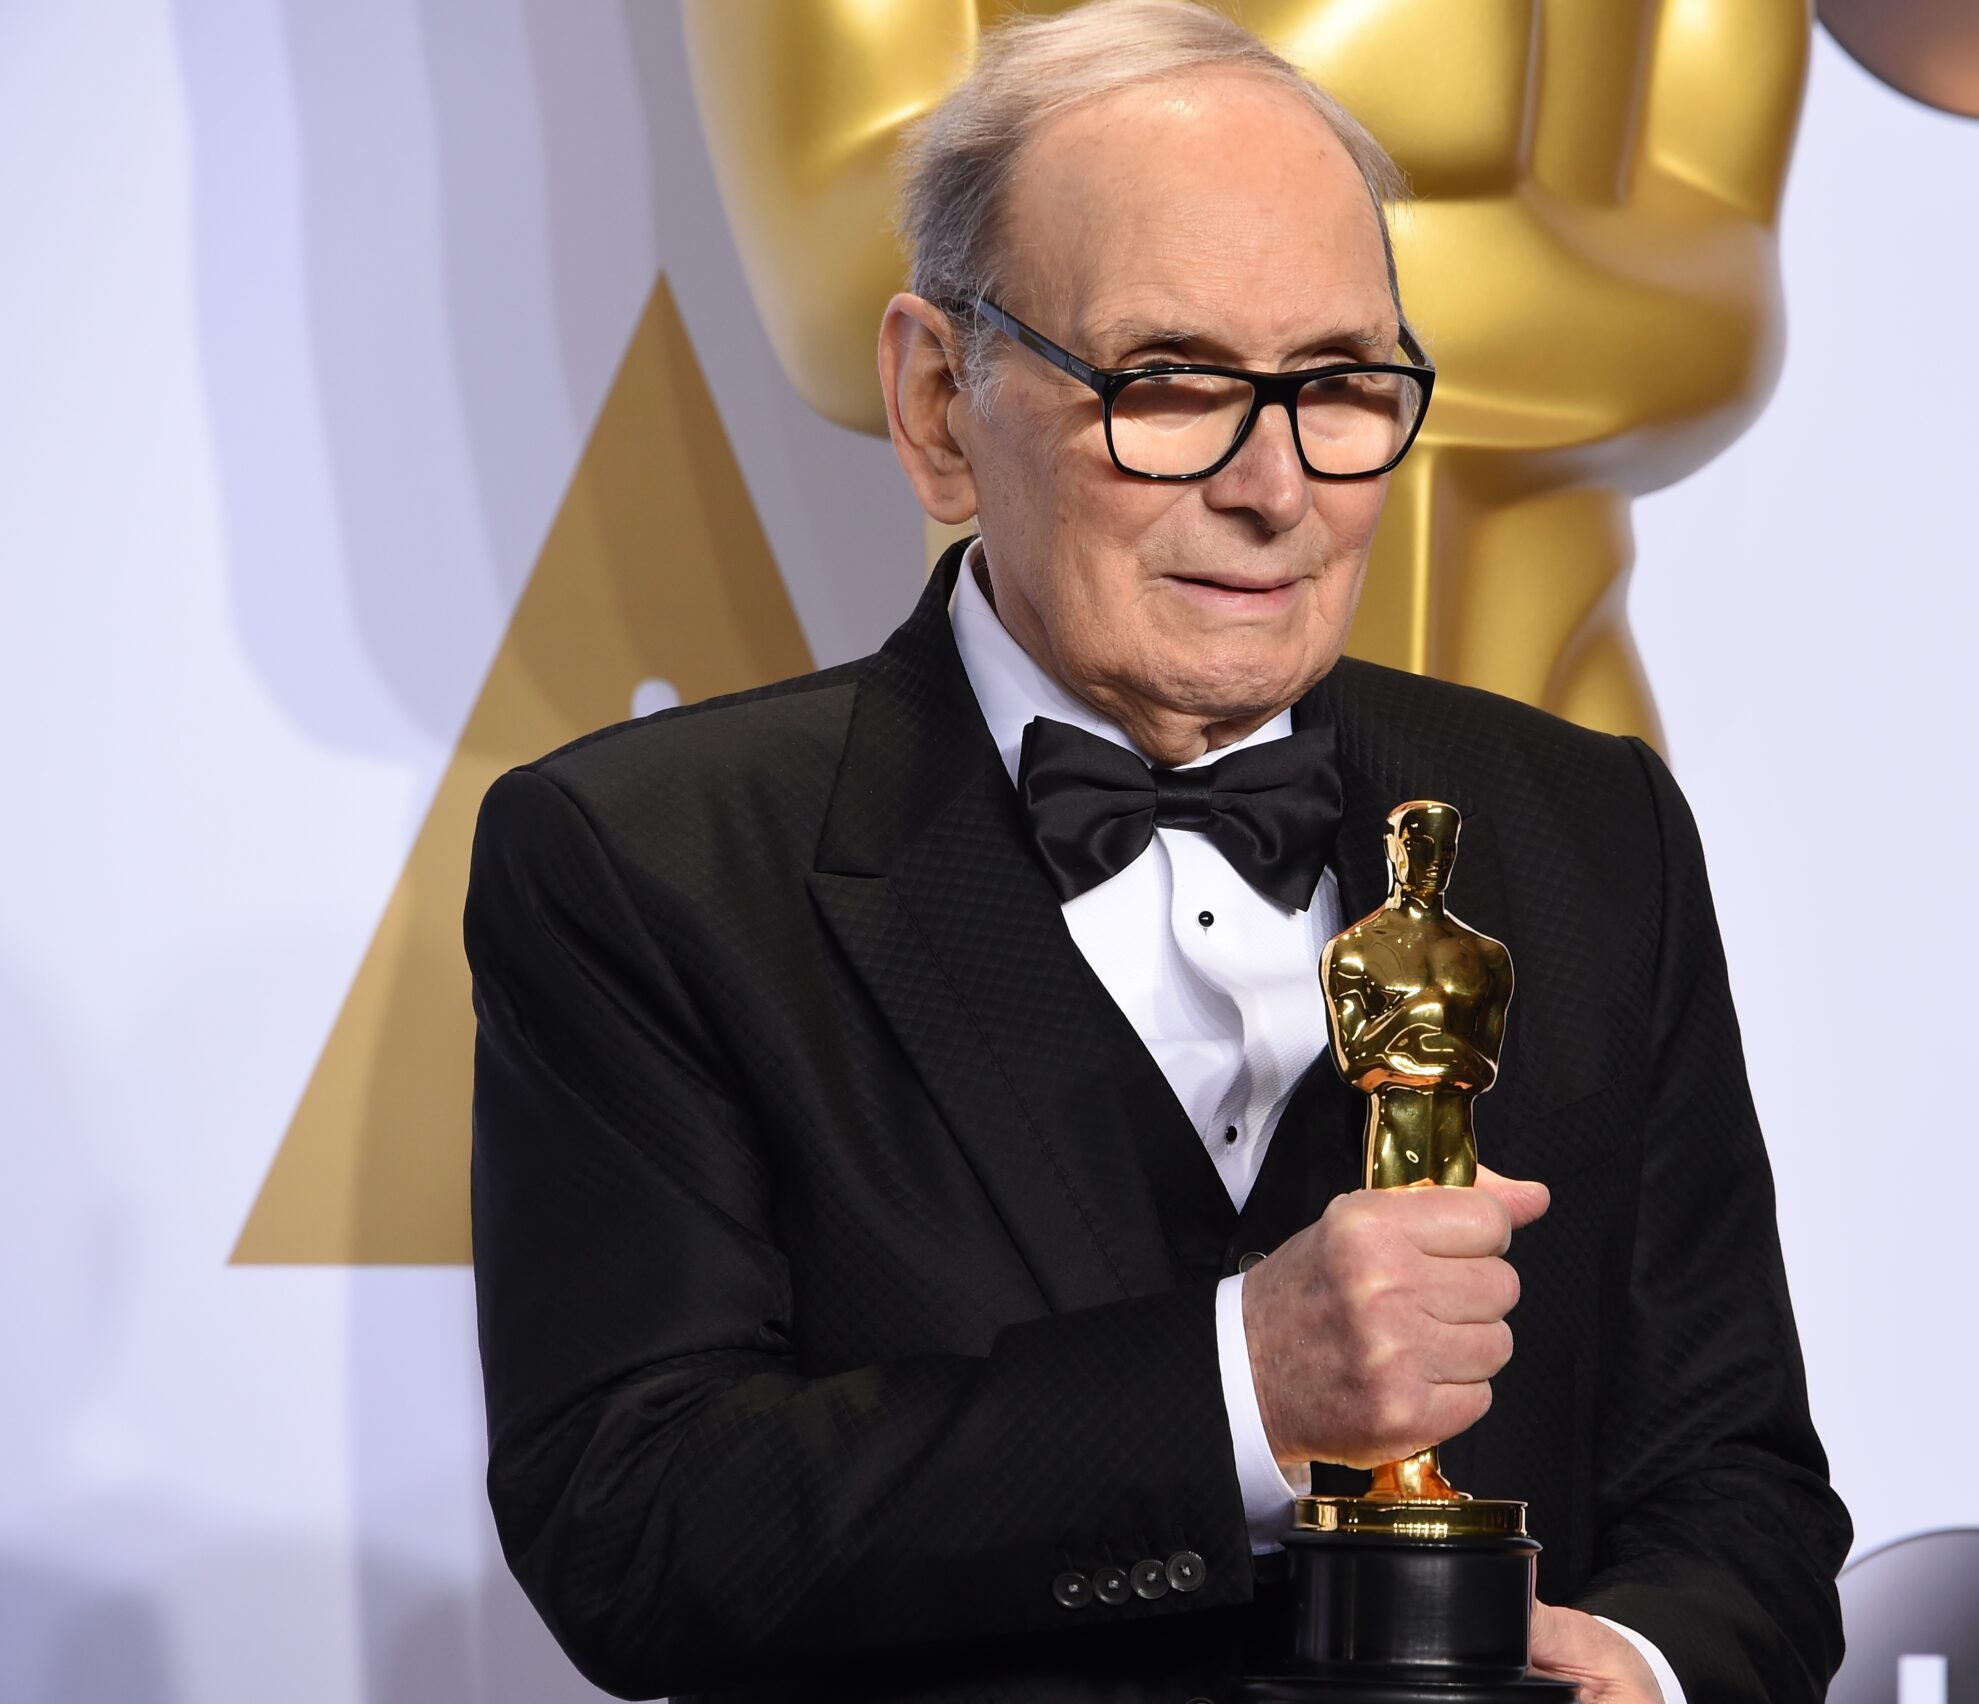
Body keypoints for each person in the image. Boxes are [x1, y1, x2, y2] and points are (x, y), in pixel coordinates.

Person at [463, 6, 1849, 1701]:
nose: (1277, 489)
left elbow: (1745, 1494)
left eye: (1340, 386)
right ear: (937, 400)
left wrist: (1644, 1668)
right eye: (1172, 383)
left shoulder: (1585, 831)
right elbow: (639, 1526)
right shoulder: (648, 863)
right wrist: (1238, 1392)